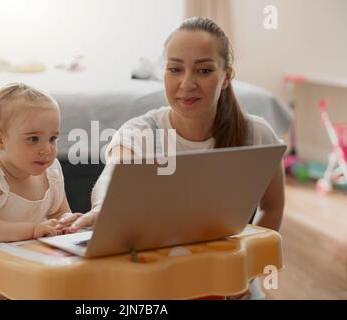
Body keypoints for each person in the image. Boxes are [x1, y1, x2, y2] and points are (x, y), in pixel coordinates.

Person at [58, 17, 285, 299]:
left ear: (226, 77)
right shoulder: (140, 133)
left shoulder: (256, 133)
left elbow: (273, 205)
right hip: (160, 287)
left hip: (232, 287)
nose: (186, 83)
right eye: (175, 69)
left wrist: (245, 270)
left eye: (203, 70)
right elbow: (113, 175)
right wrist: (103, 207)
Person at [0, 83, 78, 299]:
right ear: (0, 139)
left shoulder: (52, 173)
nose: (46, 149)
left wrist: (71, 224)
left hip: (23, 274)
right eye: (33, 138)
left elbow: (60, 213)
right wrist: (34, 229)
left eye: (53, 138)